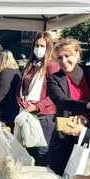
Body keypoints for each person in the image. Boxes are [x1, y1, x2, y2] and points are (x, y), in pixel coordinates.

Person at [47, 38, 90, 175]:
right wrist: (86, 106)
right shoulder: (54, 79)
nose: (63, 61)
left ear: (78, 55)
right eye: (59, 57)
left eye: (67, 56)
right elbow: (62, 101)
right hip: (65, 136)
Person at [19, 32, 60, 165]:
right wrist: (21, 101)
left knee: (42, 151)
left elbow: (55, 94)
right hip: (27, 113)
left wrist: (37, 106)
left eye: (42, 46)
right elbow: (22, 87)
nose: (39, 48)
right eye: (37, 45)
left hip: (44, 115)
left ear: (48, 48)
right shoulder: (31, 65)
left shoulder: (52, 66)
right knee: (29, 149)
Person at [0, 50, 21, 128]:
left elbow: (2, 93)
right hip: (14, 109)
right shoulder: (16, 71)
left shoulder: (5, 73)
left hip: (6, 111)